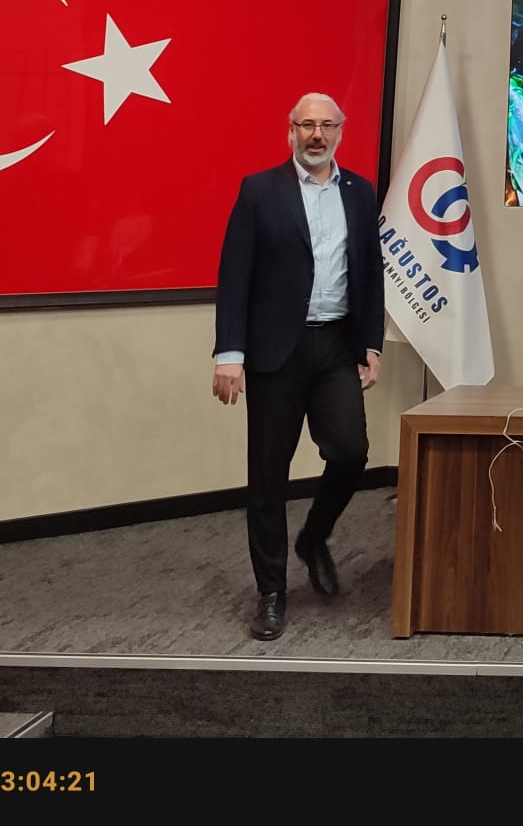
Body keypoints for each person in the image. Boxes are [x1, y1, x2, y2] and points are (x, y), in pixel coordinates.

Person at [211, 93, 384, 642]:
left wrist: (372, 343)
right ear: (290, 131)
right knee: (268, 477)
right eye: (307, 125)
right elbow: (235, 275)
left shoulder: (360, 192)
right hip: (274, 354)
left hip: (335, 346)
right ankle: (271, 593)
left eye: (327, 125)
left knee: (351, 453)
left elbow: (370, 272)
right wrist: (229, 354)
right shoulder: (260, 191)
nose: (317, 134)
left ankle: (312, 537)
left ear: (340, 132)